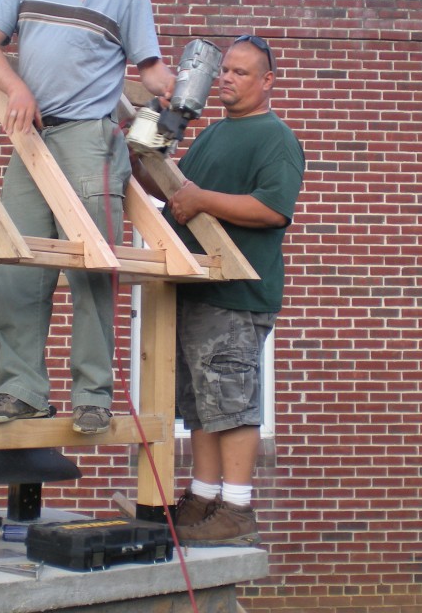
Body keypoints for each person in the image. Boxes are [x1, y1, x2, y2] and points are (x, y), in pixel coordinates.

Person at [0, 0, 175, 434]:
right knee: (18, 264)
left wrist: (169, 85)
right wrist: (16, 86)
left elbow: (149, 67)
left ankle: (93, 394)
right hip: (31, 138)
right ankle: (21, 389)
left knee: (93, 266)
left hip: (90, 139)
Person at [135, 34, 304, 546]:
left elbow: (274, 208)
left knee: (232, 402)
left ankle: (237, 509)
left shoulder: (274, 136)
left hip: (235, 294)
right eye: (225, 70)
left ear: (267, 81)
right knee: (204, 406)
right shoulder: (210, 134)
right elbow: (173, 191)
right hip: (196, 289)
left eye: (241, 72)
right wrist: (138, 147)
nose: (227, 78)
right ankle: (205, 498)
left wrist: (202, 198)